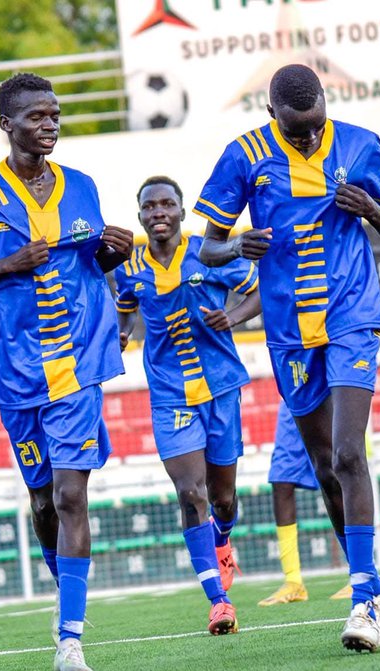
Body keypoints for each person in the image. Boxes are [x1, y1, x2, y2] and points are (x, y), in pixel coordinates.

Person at [0, 73, 133, 671]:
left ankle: (70, 641)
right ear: (8, 125)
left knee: (71, 496)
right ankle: (61, 576)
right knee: (43, 500)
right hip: (16, 374)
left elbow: (91, 260)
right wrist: (7, 263)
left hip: (79, 366)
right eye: (38, 116)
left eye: (56, 114)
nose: (51, 124)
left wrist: (112, 255)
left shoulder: (83, 187)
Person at [194, 64, 380, 653]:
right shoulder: (243, 157)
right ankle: (371, 580)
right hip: (289, 330)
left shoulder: (362, 144)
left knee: (347, 452)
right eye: (297, 132)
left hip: (351, 315)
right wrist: (238, 244)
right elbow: (209, 247)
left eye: (316, 127)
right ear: (272, 116)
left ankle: (365, 597)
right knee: (321, 465)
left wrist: (370, 208)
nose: (310, 139)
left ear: (324, 106)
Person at [116, 176, 261, 634]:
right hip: (169, 396)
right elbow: (125, 306)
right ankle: (219, 602)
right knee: (191, 493)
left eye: (167, 204)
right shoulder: (129, 267)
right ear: (139, 216)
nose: (158, 212)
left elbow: (262, 291)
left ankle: (223, 542)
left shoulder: (209, 253)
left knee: (222, 497)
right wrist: (121, 333)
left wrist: (233, 316)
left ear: (180, 211)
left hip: (220, 389)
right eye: (149, 207)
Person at [259, 401, 353, 605]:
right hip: (292, 393)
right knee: (281, 479)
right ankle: (293, 582)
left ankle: (360, 573)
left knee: (332, 477)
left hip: (327, 390)